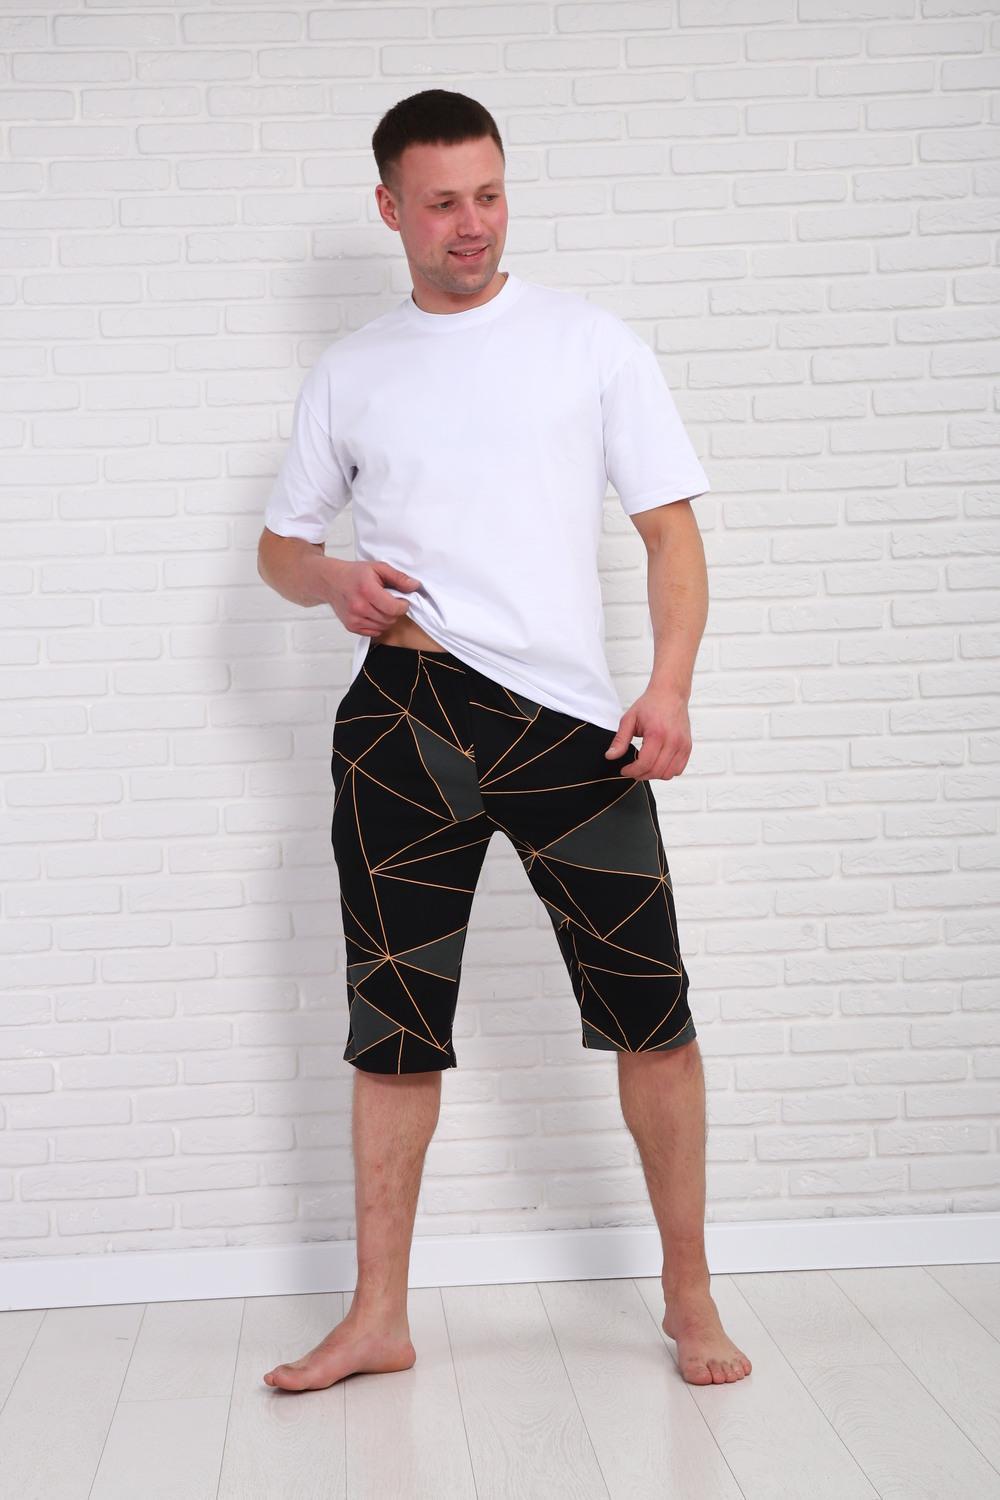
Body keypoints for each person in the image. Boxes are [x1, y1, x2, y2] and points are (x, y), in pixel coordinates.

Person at [257, 88, 751, 1391]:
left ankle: (689, 1295)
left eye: (488, 194)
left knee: (653, 1013)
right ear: (390, 209)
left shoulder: (591, 344)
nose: (470, 224)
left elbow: (670, 533)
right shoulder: (352, 369)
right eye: (440, 203)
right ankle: (378, 1317)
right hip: (401, 720)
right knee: (393, 1025)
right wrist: (331, 580)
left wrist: (670, 686)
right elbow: (280, 548)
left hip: (573, 731)